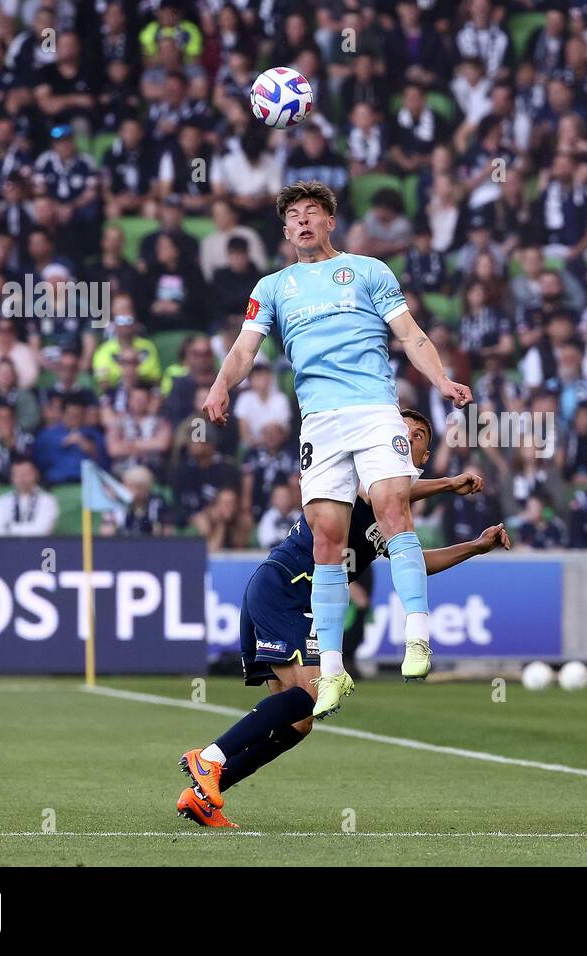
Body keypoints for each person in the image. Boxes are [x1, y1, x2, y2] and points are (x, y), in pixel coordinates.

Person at [200, 180, 473, 719]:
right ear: (284, 230)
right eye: (293, 216)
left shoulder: (370, 271)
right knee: (328, 543)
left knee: (392, 506)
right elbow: (244, 348)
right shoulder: (274, 286)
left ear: (330, 222)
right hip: (319, 423)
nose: (303, 222)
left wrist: (440, 381)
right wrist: (219, 385)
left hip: (373, 408)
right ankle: (330, 670)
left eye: (312, 213)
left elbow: (412, 335)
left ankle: (416, 635)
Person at [175, 410, 506, 827]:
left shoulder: (392, 511)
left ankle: (206, 793)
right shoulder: (368, 475)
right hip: (287, 587)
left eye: (418, 433)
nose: (407, 435)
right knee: (314, 694)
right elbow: (376, 490)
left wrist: (475, 546)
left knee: (298, 721)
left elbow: (414, 561)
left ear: (422, 452)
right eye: (402, 428)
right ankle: (210, 758)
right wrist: (447, 484)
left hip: (290, 594)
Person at [0, 457, 59, 537]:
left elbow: (42, 530)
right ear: (11, 477)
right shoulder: (1, 501)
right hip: (5, 547)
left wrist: (9, 527)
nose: (22, 478)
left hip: (37, 546)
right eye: (17, 474)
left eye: (26, 474)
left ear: (36, 474)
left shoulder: (48, 500)